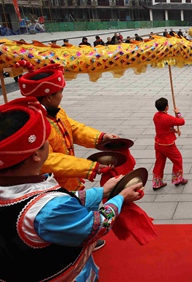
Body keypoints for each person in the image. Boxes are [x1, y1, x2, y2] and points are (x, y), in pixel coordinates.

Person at [0, 97, 143, 281]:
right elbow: (97, 225)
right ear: (37, 155)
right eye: (46, 141)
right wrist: (120, 198)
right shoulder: (50, 207)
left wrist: (102, 192)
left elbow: (63, 202)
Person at [17, 64, 122, 192]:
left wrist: (101, 137)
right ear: (49, 98)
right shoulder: (35, 124)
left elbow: (73, 128)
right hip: (51, 187)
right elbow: (47, 160)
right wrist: (89, 167)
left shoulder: (57, 111)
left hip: (69, 180)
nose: (62, 96)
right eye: (60, 92)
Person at [153, 97, 187, 189]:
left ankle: (157, 182)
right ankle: (177, 178)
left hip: (158, 143)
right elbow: (182, 121)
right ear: (166, 107)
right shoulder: (167, 118)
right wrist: (178, 113)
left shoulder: (156, 116)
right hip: (167, 144)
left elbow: (164, 128)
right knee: (177, 159)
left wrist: (174, 130)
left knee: (159, 162)